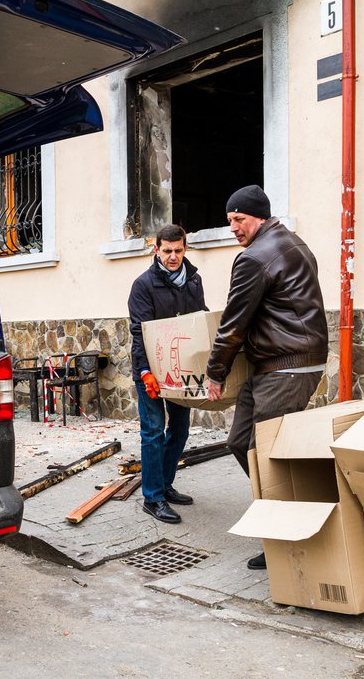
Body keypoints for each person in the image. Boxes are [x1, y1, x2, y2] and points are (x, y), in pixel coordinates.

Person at [205, 185, 328, 568]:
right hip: (279, 363)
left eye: (239, 219)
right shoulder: (293, 243)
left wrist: (215, 372)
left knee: (270, 456)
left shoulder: (255, 257)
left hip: (286, 366)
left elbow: (233, 323)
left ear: (258, 216)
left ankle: (285, 539)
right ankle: (283, 512)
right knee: (241, 441)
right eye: (229, 221)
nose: (233, 228)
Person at [129, 224, 207, 524]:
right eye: (167, 251)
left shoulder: (194, 281)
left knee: (180, 429)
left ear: (185, 249)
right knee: (153, 433)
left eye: (178, 250)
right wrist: (145, 371)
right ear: (156, 249)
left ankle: (165, 484)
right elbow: (139, 331)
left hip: (180, 369)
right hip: (150, 369)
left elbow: (198, 322)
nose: (173, 257)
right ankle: (153, 497)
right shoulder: (143, 285)